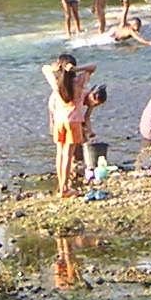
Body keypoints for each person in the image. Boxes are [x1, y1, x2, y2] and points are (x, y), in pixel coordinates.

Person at [45, 53, 96, 197]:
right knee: (68, 155)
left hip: (59, 121)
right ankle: (65, 188)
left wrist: (57, 69)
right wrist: (76, 69)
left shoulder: (57, 83)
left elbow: (45, 68)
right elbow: (93, 67)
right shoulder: (79, 82)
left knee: (60, 154)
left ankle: (62, 186)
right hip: (73, 122)